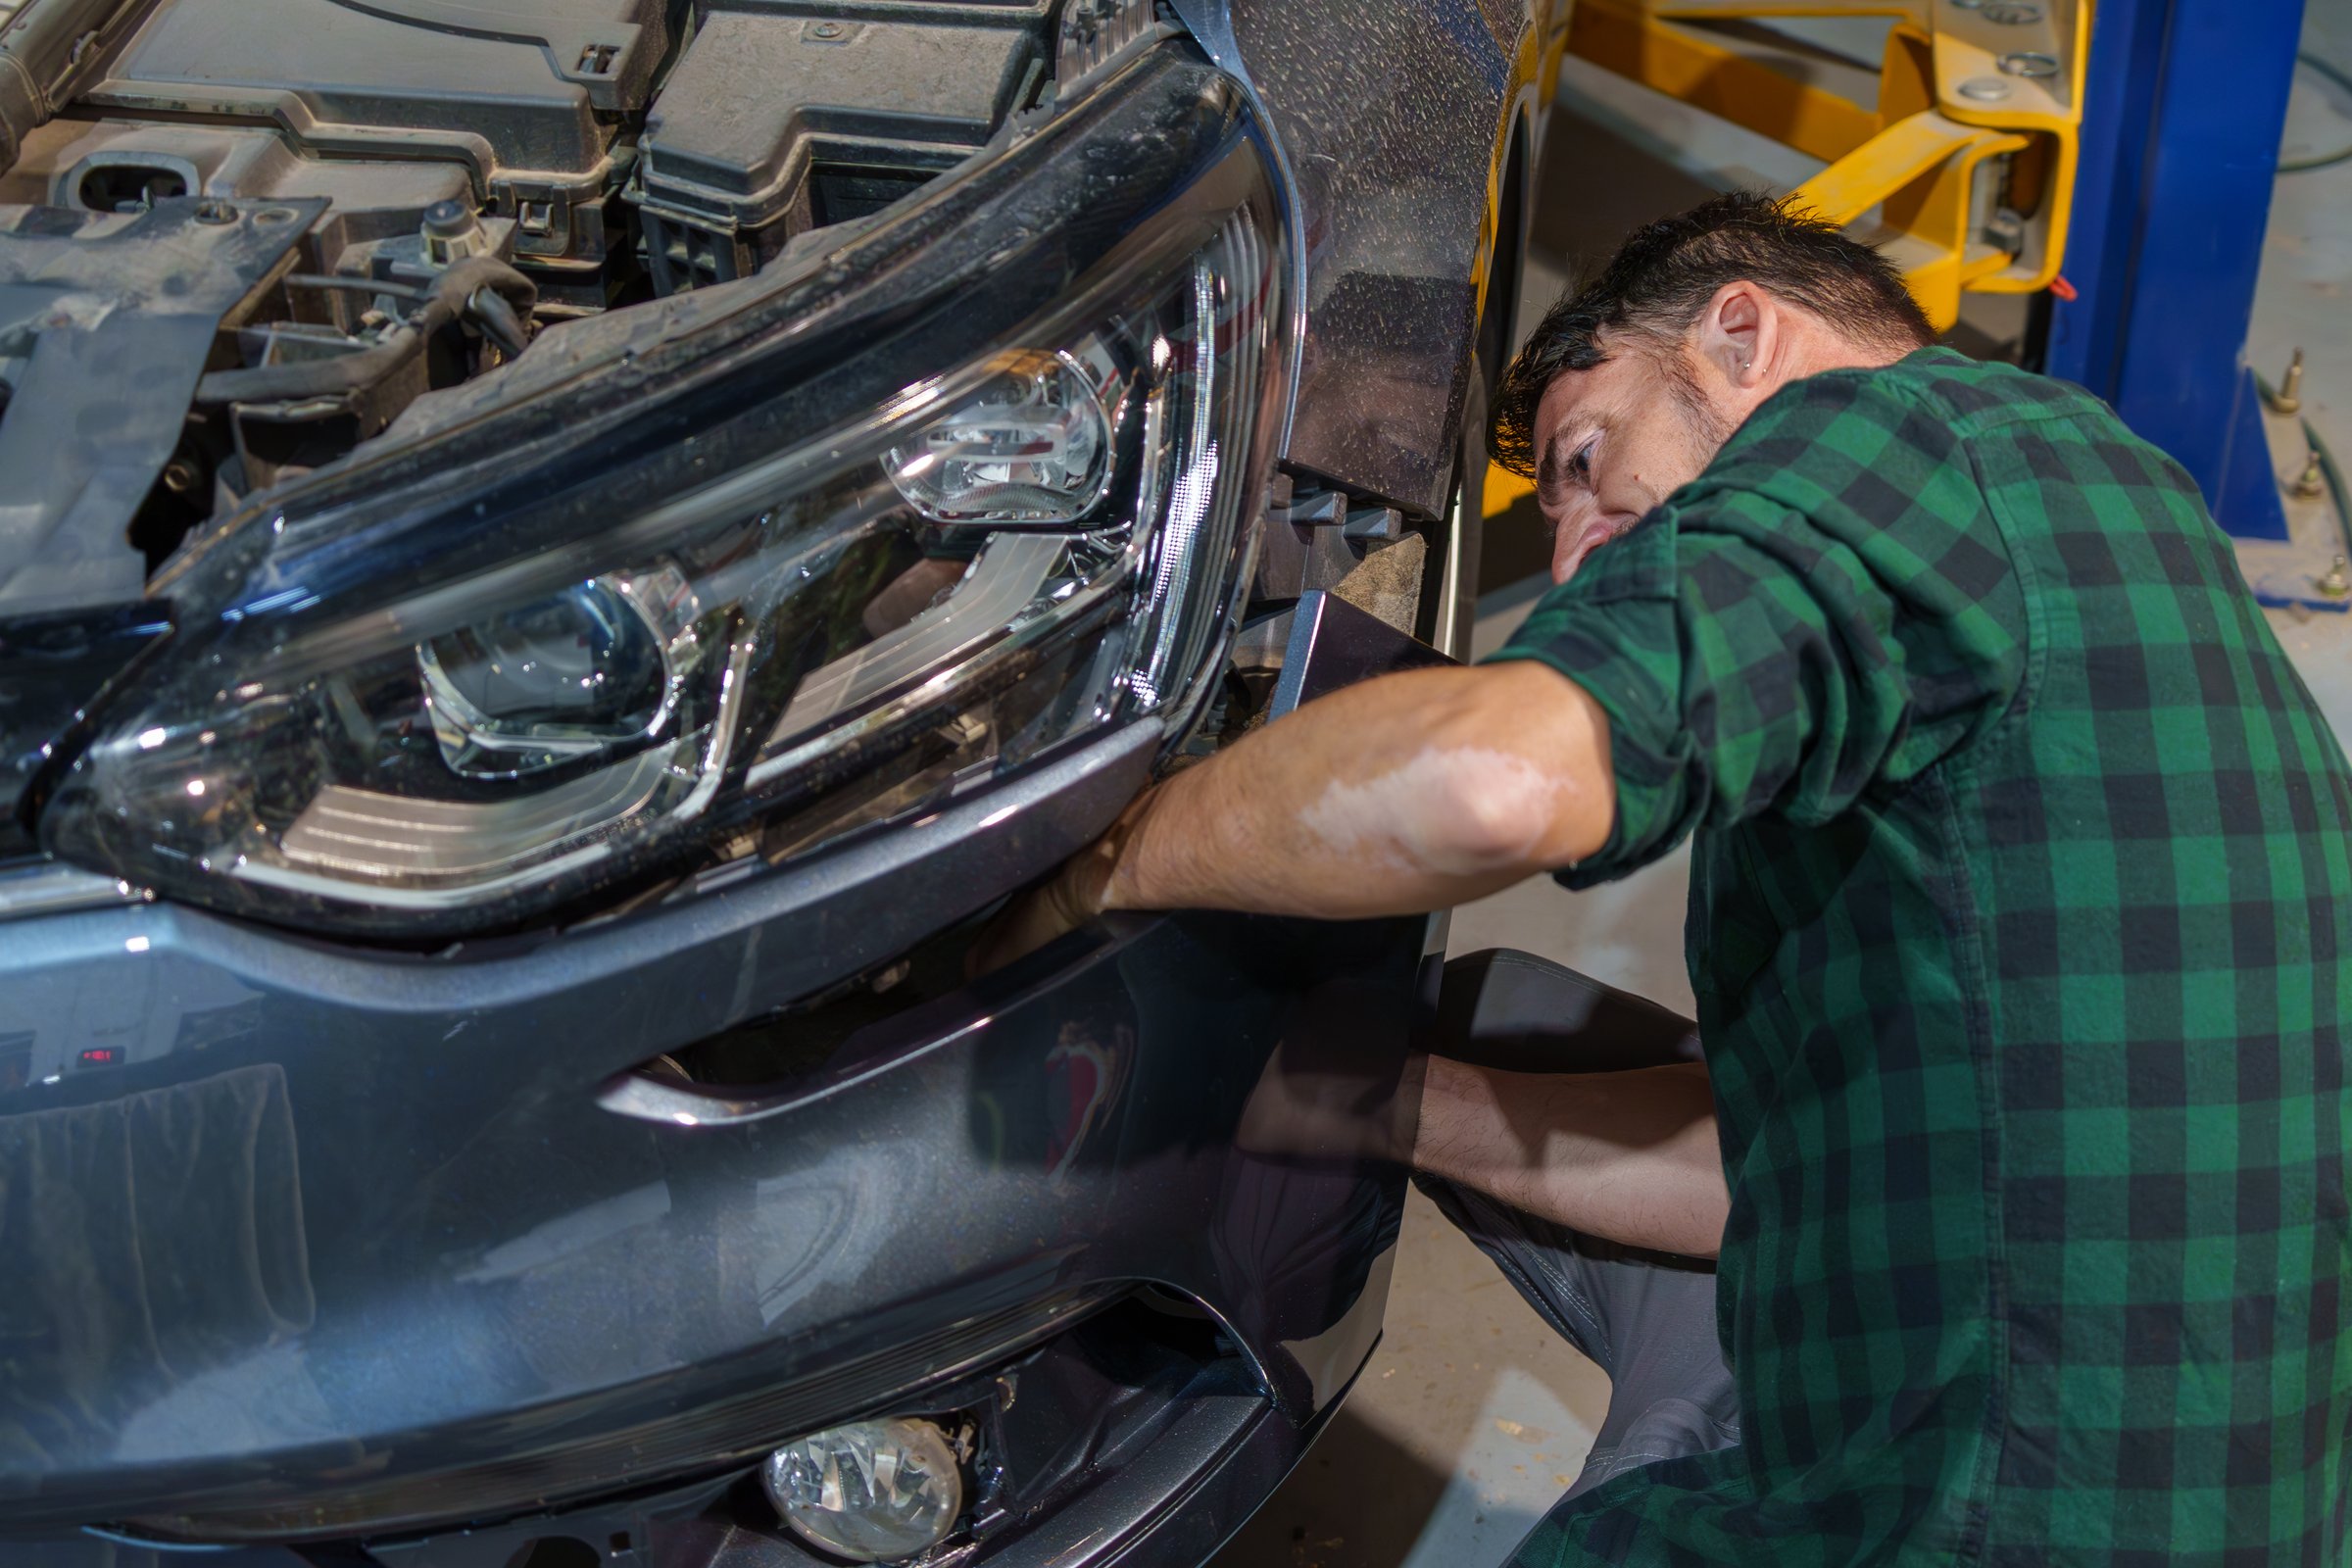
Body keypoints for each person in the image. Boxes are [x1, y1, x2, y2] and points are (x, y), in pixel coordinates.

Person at [985, 192, 2352, 1563]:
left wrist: (1106, 862)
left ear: (1743, 337)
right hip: (2242, 1472)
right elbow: (1749, 1168)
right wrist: (1348, 1096)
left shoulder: (1902, 439)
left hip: (2011, 1518)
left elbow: (1493, 781)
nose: (1572, 550)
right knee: (1480, 1013)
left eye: (1588, 460)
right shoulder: (2075, 498)